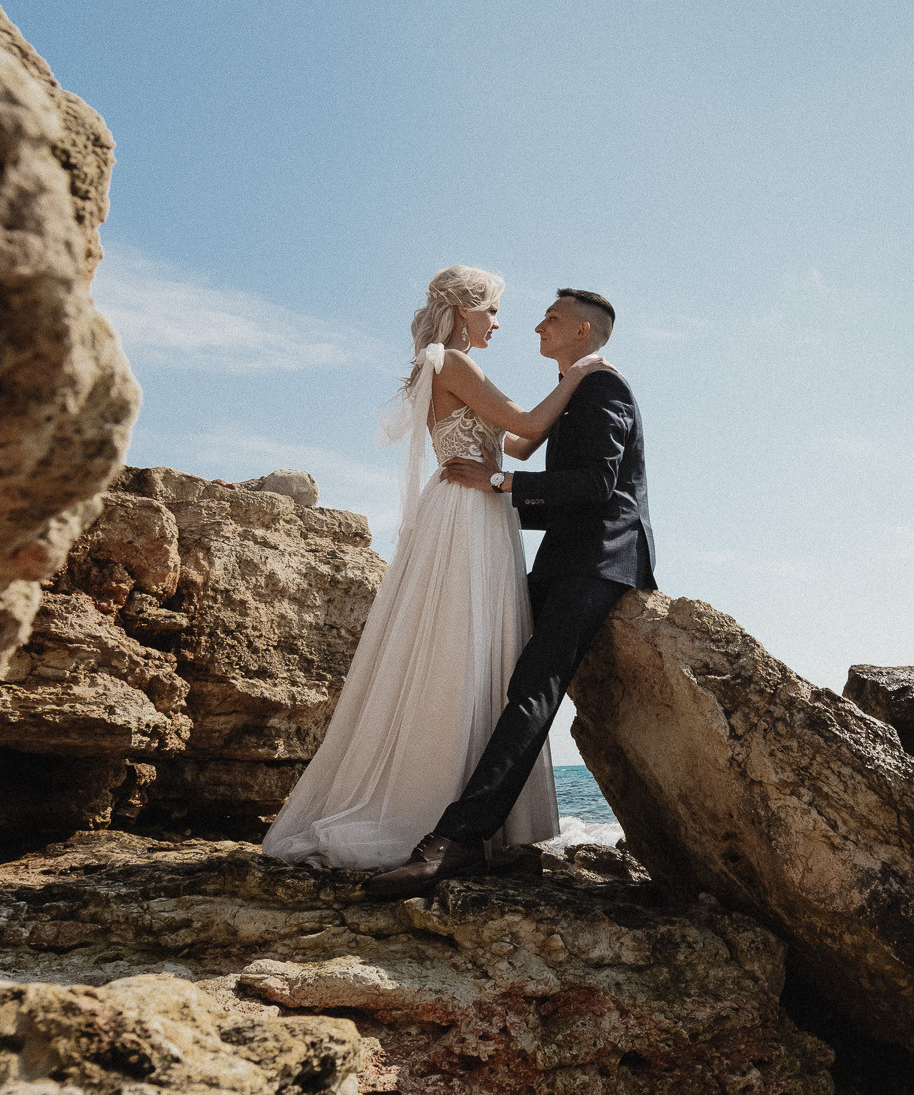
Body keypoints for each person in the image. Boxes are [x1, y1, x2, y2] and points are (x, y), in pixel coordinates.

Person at [262, 267, 607, 870]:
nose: (499, 323)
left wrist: (555, 402)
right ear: (464, 310)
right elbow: (528, 425)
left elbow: (520, 445)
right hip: (466, 510)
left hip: (483, 505)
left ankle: (468, 811)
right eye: (492, 310)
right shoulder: (452, 362)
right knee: (457, 642)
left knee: (477, 646)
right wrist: (580, 373)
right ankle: (429, 808)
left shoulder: (453, 366)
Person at [364, 288, 654, 897]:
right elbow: (546, 470)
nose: (536, 326)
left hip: (599, 563)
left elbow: (598, 486)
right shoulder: (573, 389)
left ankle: (457, 841)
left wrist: (498, 483)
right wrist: (489, 501)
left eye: (551, 318)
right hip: (560, 560)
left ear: (582, 331)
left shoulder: (602, 386)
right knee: (504, 679)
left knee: (530, 691)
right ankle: (472, 829)